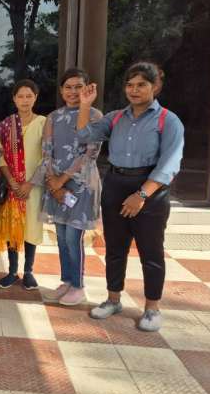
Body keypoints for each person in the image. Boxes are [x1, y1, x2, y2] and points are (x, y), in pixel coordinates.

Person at [77, 61, 184, 331]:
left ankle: (152, 308)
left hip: (150, 190)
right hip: (115, 184)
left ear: (155, 87)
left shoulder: (168, 120)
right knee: (115, 248)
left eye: (141, 85)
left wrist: (141, 195)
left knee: (151, 251)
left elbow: (169, 165)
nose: (134, 90)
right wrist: (85, 105)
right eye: (130, 85)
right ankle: (113, 299)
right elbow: (84, 135)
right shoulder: (115, 117)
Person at [38, 68, 103, 306]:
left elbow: (90, 153)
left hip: (82, 185)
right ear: (61, 90)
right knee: (62, 236)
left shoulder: (95, 116)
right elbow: (46, 151)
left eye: (78, 87)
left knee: (74, 237)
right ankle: (66, 281)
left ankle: (78, 285)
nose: (73, 92)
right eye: (68, 87)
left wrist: (62, 180)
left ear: (87, 89)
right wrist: (53, 183)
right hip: (55, 184)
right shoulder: (53, 117)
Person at [0, 79, 46, 291]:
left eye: (29, 96)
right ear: (14, 99)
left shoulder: (43, 123)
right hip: (12, 187)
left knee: (31, 228)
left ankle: (29, 272)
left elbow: (47, 156)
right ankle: (12, 271)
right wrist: (12, 181)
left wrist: (30, 183)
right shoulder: (6, 125)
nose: (25, 100)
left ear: (36, 98)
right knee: (11, 227)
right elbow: (0, 156)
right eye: (20, 96)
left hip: (33, 187)